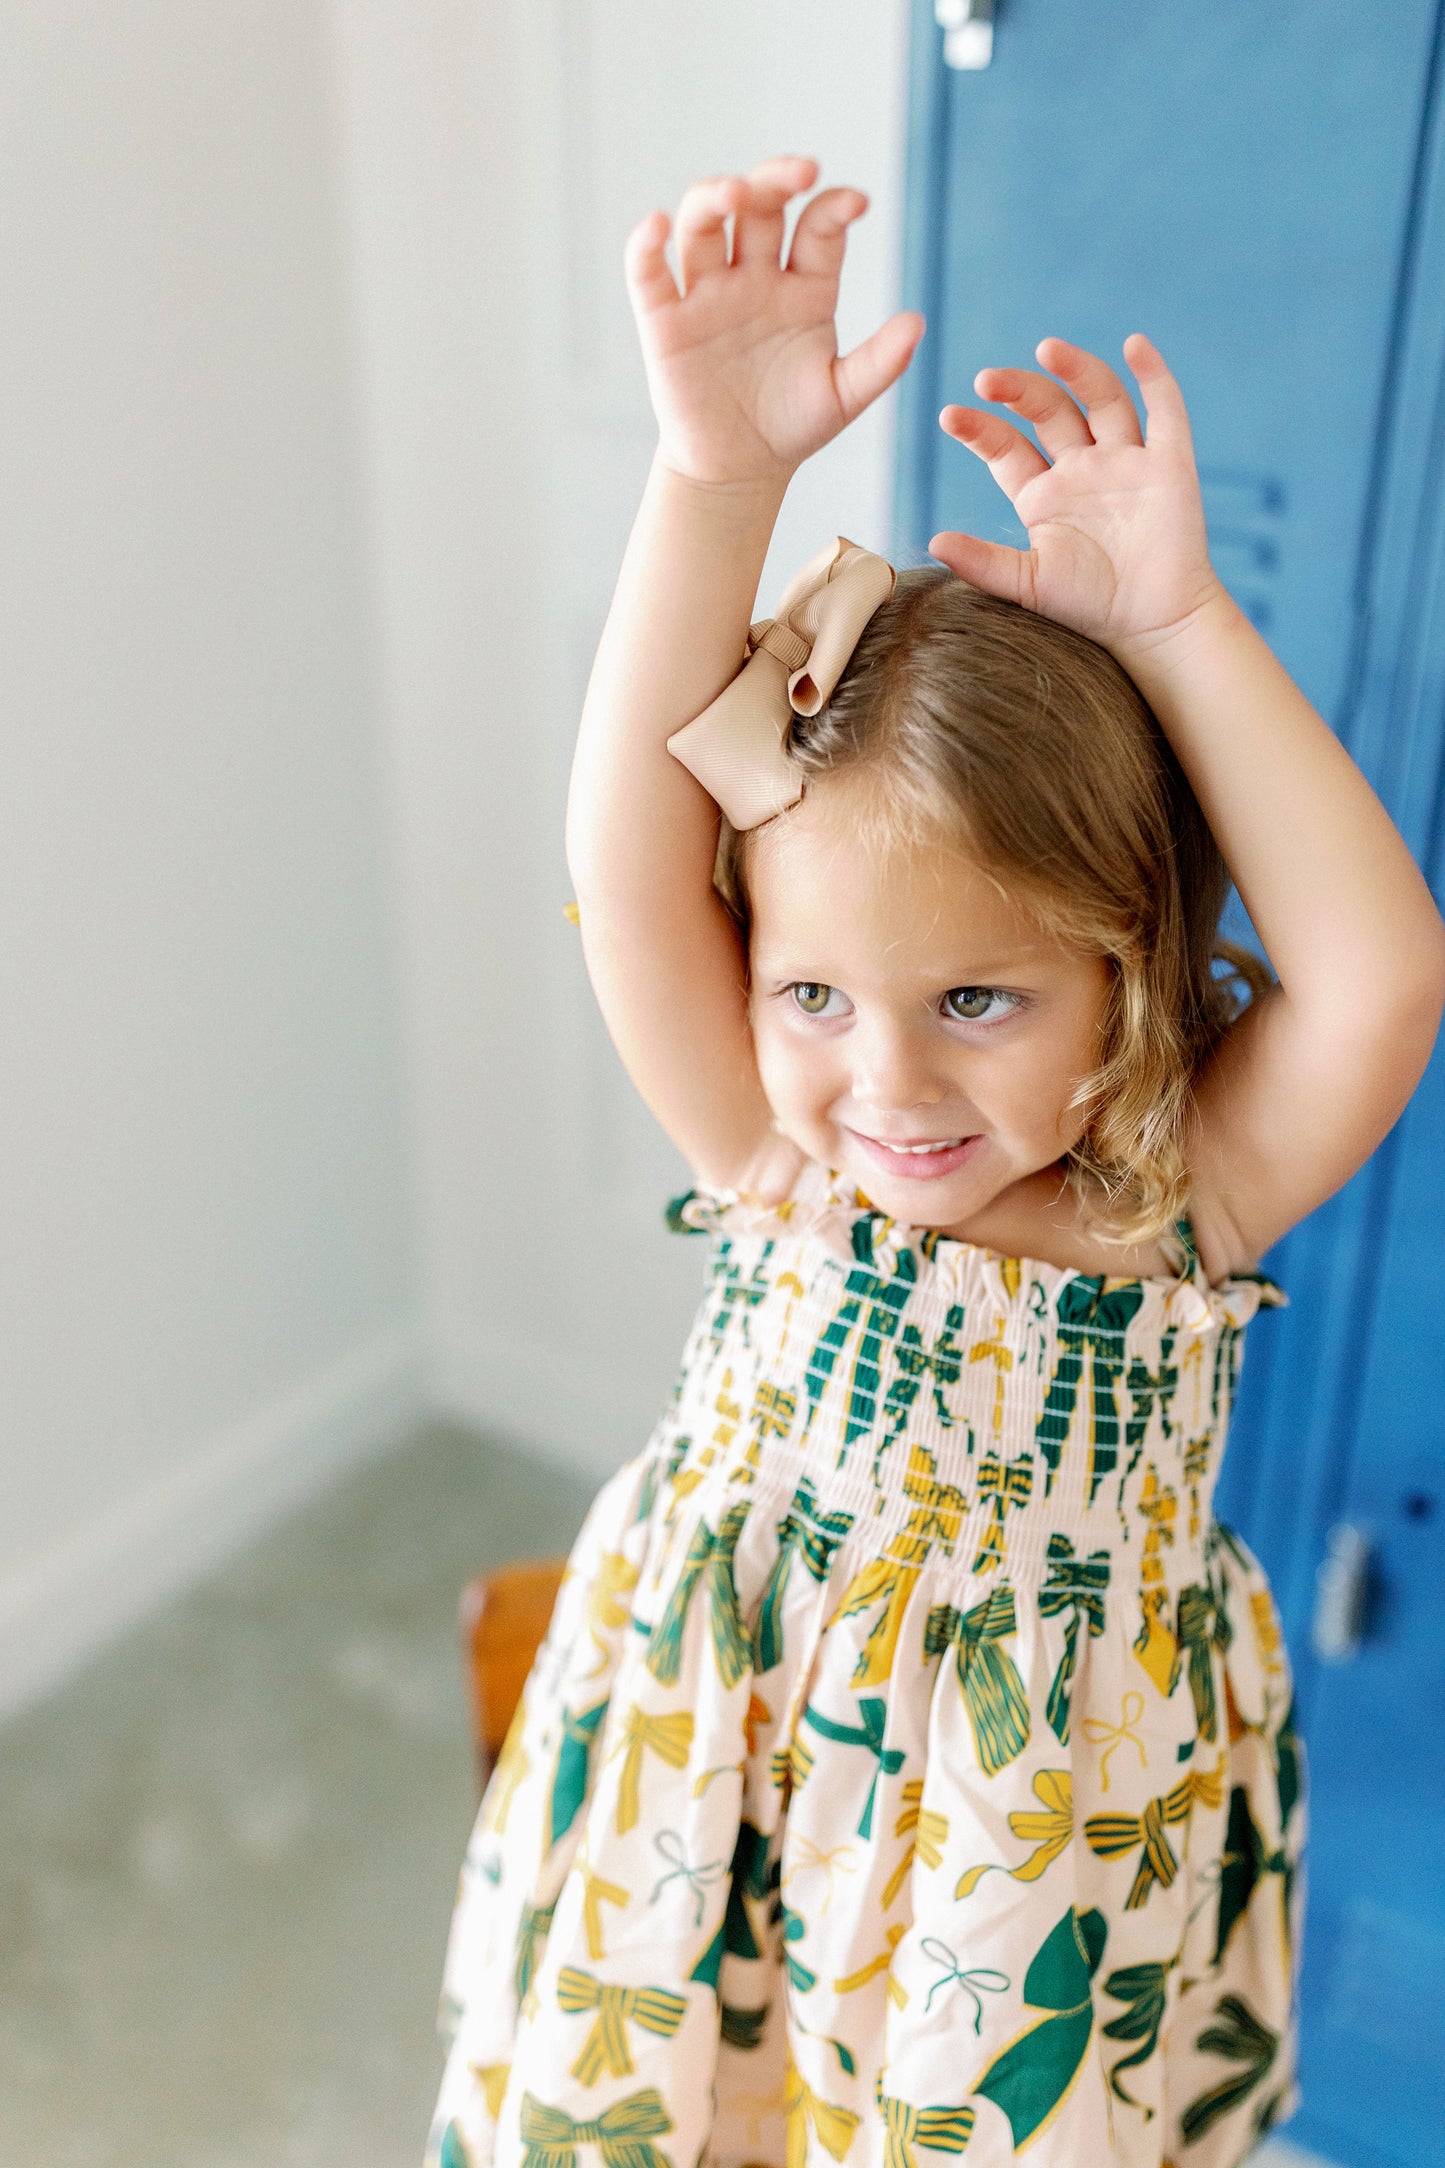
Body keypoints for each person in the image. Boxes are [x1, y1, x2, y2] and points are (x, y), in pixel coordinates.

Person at [426, 156, 1445, 2168]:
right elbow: (625, 874)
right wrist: (715, 476)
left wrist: (1177, 620)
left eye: (979, 1003)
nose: (880, 1081)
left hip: (1029, 1918)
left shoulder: (1175, 1203)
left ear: (1125, 984)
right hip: (697, 1853)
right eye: (812, 992)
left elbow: (1378, 968)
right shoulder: (775, 1152)